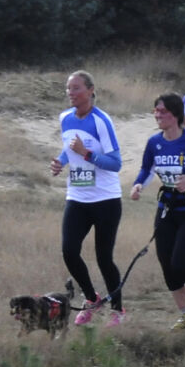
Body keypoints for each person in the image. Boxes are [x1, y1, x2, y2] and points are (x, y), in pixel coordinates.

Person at [129, 93, 185, 329]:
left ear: (176, 115)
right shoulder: (154, 142)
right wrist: (138, 185)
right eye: (156, 111)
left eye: (163, 112)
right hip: (167, 210)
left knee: (180, 264)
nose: (158, 116)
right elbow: (147, 169)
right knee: (166, 265)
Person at [51, 71, 126, 329]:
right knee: (69, 251)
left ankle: (117, 310)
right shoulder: (65, 118)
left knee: (104, 257)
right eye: (68, 89)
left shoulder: (101, 121)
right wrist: (60, 162)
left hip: (105, 199)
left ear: (90, 90)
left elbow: (116, 163)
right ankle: (92, 298)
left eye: (76, 89)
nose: (71, 93)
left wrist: (87, 154)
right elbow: (68, 146)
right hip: (77, 197)